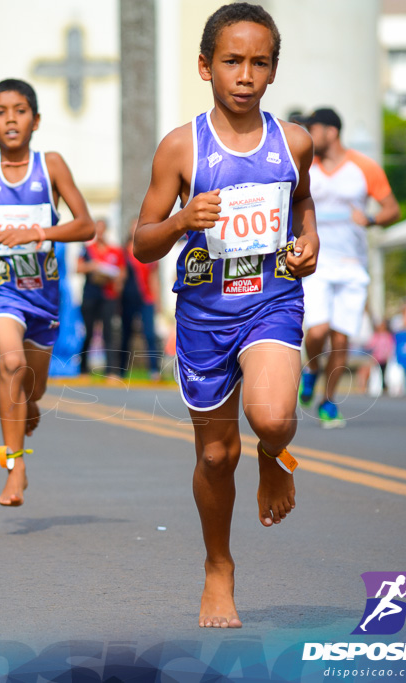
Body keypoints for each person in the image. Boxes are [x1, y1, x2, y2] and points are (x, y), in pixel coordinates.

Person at [132, 3, 319, 627]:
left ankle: (273, 454)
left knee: (272, 418)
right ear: (206, 67)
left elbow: (303, 204)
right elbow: (142, 241)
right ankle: (219, 566)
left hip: (271, 299)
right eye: (232, 62)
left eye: (258, 63)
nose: (245, 75)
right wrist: (183, 220)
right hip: (205, 316)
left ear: (272, 71)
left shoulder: (294, 142)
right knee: (215, 457)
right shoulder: (182, 146)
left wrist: (307, 243)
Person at [0, 78, 95, 506]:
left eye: (19, 111)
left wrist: (38, 232)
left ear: (36, 120)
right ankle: (15, 468)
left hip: (43, 295)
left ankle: (29, 406)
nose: (10, 119)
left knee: (32, 388)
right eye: (1, 112)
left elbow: (86, 225)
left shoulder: (50, 166)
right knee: (11, 363)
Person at [298, 107, 400, 427]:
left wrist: (370, 219)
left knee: (341, 338)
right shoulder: (306, 166)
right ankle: (312, 370)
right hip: (317, 262)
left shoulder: (363, 167)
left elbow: (392, 209)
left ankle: (328, 403)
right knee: (317, 330)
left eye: (313, 129)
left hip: (353, 265)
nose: (309, 135)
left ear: (331, 132)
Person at [77, 218, 125, 376]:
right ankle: (83, 368)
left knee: (109, 332)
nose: (100, 232)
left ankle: (111, 370)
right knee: (89, 331)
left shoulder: (114, 250)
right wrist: (94, 266)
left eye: (102, 229)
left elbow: (122, 272)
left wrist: (115, 278)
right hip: (90, 294)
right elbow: (78, 268)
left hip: (108, 295)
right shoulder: (88, 249)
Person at [119, 219, 161, 379]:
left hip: (146, 298)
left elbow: (153, 277)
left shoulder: (150, 251)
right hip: (128, 299)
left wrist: (157, 301)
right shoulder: (123, 252)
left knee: (150, 335)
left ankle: (154, 370)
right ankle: (121, 370)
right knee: (126, 334)